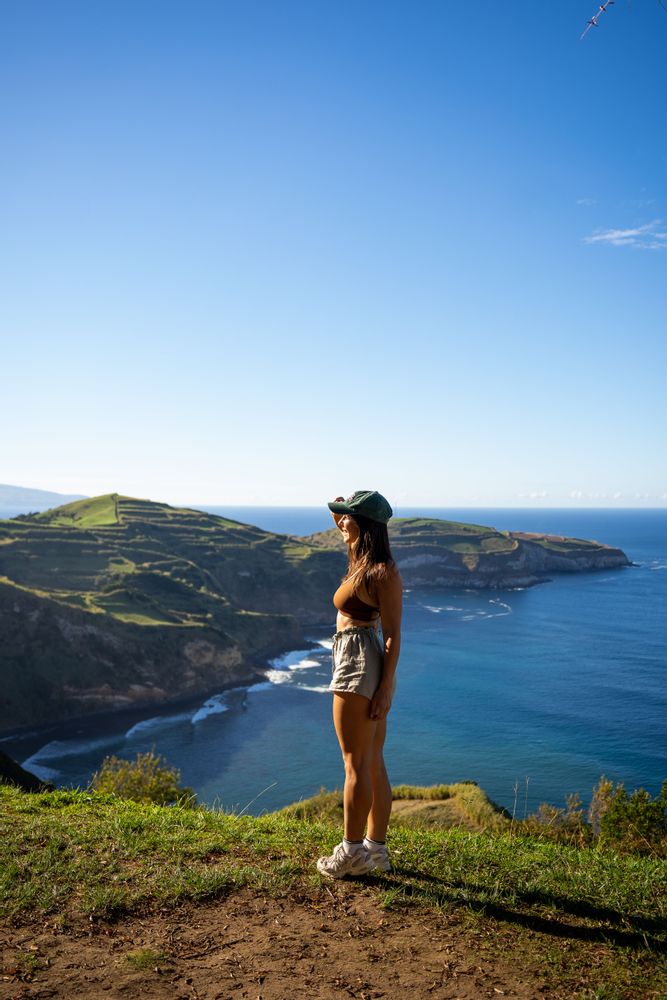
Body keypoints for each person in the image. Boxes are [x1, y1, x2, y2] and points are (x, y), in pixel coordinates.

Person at [316, 490, 403, 879]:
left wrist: (384, 688)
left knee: (355, 763)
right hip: (359, 658)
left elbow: (394, 635)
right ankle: (375, 851)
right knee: (371, 761)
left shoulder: (382, 572)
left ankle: (352, 852)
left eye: (348, 517)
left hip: (358, 662)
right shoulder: (362, 560)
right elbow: (343, 524)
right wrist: (340, 512)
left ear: (363, 524)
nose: (341, 522)